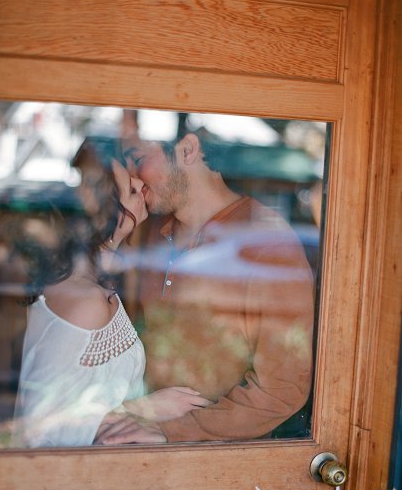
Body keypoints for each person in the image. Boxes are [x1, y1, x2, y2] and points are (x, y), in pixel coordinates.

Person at [96, 132, 315, 444]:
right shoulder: (149, 232)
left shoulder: (268, 244)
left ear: (187, 149)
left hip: (209, 464)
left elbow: (281, 391)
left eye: (140, 160)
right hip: (128, 442)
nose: (133, 178)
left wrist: (172, 431)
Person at [12, 158, 211, 447]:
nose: (141, 184)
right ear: (104, 208)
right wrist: (147, 409)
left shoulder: (94, 282)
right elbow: (44, 430)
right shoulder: (85, 302)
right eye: (130, 186)